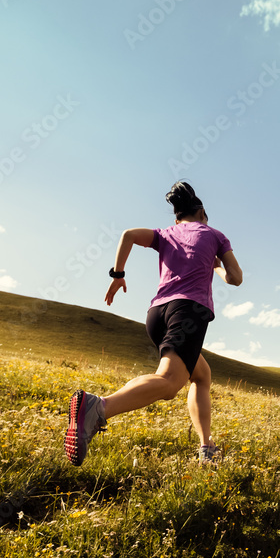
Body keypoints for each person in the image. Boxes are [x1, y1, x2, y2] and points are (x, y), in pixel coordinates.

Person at [64, 181, 243, 466]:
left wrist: (118, 274)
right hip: (189, 312)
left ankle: (206, 447)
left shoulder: (166, 233)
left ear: (177, 218)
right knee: (170, 383)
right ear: (203, 213)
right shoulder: (215, 235)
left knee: (201, 375)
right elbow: (235, 278)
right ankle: (98, 407)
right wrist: (217, 265)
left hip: (157, 314)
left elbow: (129, 235)